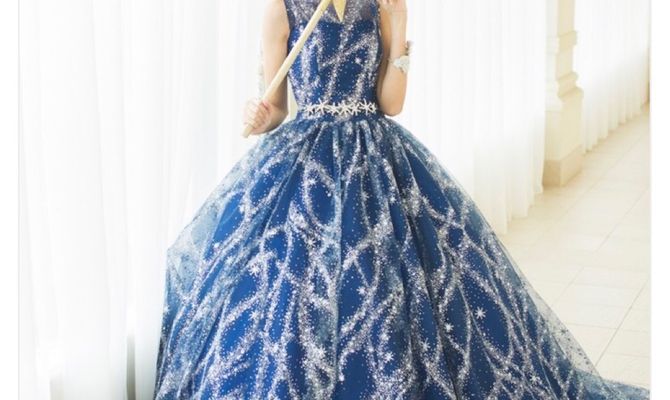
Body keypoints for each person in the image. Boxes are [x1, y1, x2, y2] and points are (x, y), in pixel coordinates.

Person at [153, 0, 650, 398]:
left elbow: (390, 103)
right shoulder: (281, 8)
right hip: (307, 161)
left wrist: (400, 23)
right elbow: (278, 106)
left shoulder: (381, 6)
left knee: (381, 279)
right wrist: (263, 117)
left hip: (374, 154)